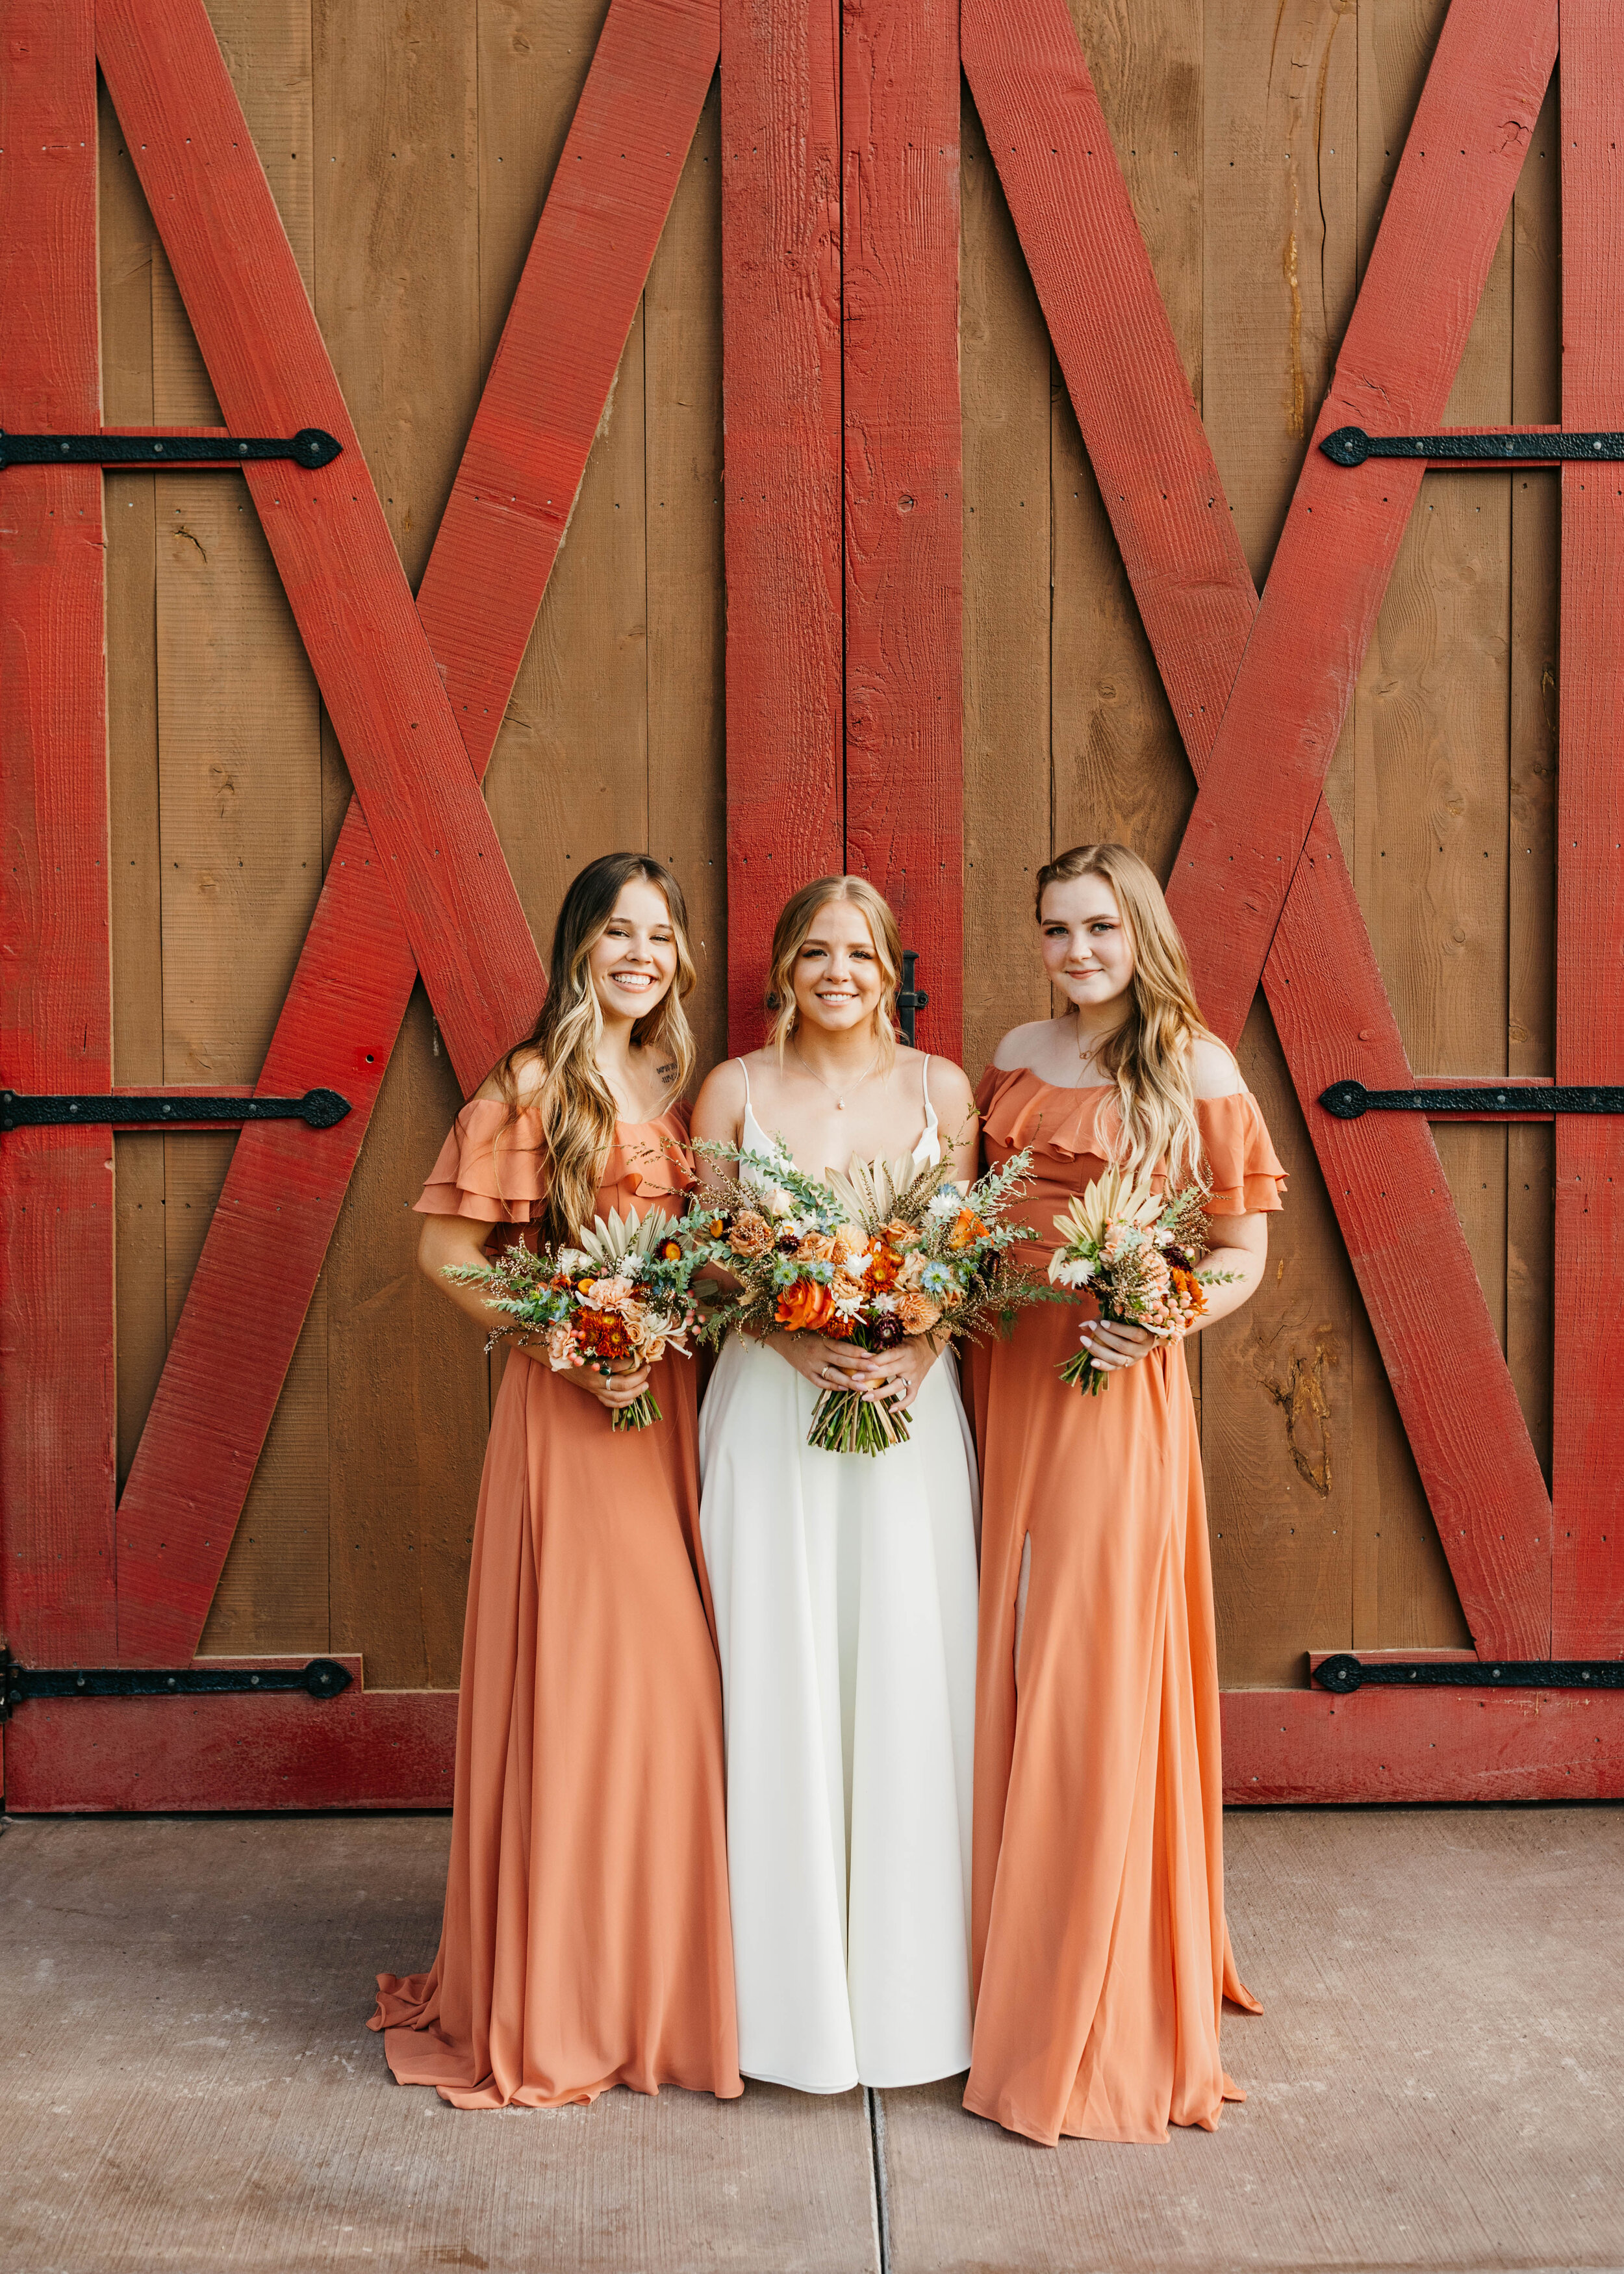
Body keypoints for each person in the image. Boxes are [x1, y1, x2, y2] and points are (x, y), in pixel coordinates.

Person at [370, 852, 741, 2110]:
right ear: (577, 946)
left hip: (666, 1404)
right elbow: (446, 1253)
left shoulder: (665, 1084)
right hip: (578, 1412)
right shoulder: (532, 1084)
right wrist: (572, 1348)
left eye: (659, 935)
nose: (640, 953)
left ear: (678, 959)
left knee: (672, 1696)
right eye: (616, 933)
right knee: (604, 1686)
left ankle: (648, 1978)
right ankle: (569, 1992)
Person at [965, 841, 1284, 2147]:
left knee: (1092, 1657)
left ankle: (1094, 1964)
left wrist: (1161, 1320)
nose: (1076, 950)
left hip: (1108, 1384)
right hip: (999, 1371)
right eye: (1055, 928)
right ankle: (989, 1936)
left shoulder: (1192, 1066)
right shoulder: (1013, 1047)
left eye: (1098, 927)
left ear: (1139, 932)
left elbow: (1240, 1247)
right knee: (998, 1645)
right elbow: (974, 1210)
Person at [691, 876, 980, 2093]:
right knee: (782, 1673)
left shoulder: (944, 1090)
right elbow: (707, 1263)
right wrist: (791, 1338)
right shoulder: (734, 1091)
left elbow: (964, 1257)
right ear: (783, 969)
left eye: (860, 954)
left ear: (892, 968)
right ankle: (781, 2004)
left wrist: (918, 1343)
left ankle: (914, 2002)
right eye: (815, 952)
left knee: (904, 1669)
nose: (839, 972)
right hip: (769, 1411)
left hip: (905, 1422)